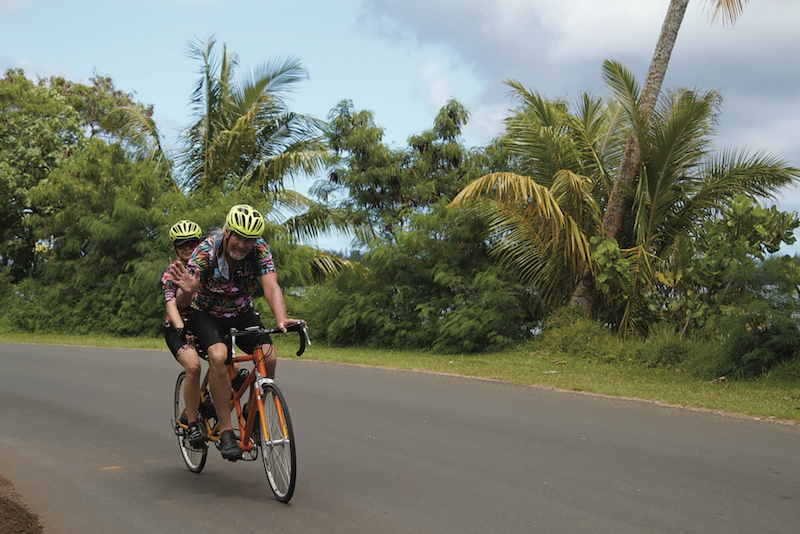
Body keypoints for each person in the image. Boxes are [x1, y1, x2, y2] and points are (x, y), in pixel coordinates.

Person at [169, 204, 300, 461]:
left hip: (241, 311)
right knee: (218, 356)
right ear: (228, 232)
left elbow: (271, 284)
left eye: (249, 240)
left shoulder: (260, 250)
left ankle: (253, 415)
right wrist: (187, 290)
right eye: (238, 237)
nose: (242, 245)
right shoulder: (205, 251)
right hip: (207, 314)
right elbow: (183, 303)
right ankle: (227, 431)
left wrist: (281, 317)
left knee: (269, 356)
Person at [162, 220, 205, 448]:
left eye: (192, 243)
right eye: (182, 245)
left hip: (203, 324)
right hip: (178, 328)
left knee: (230, 364)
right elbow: (170, 304)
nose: (187, 248)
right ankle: (193, 422)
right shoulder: (171, 272)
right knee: (194, 366)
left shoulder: (207, 266)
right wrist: (181, 328)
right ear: (175, 248)